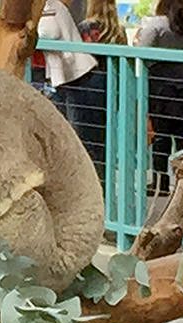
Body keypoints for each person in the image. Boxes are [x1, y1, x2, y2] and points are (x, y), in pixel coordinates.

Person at [135, 0, 183, 196]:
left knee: (161, 136)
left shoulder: (156, 24)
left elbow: (143, 54)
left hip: (161, 87)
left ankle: (161, 182)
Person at [73, 0, 128, 185]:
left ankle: (93, 185)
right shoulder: (119, 30)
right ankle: (105, 183)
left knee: (86, 139)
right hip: (112, 85)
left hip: (88, 85)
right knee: (105, 139)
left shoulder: (85, 28)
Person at [37, 0, 98, 131]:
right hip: (65, 78)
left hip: (79, 76)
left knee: (80, 132)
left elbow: (49, 32)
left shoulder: (50, 5)